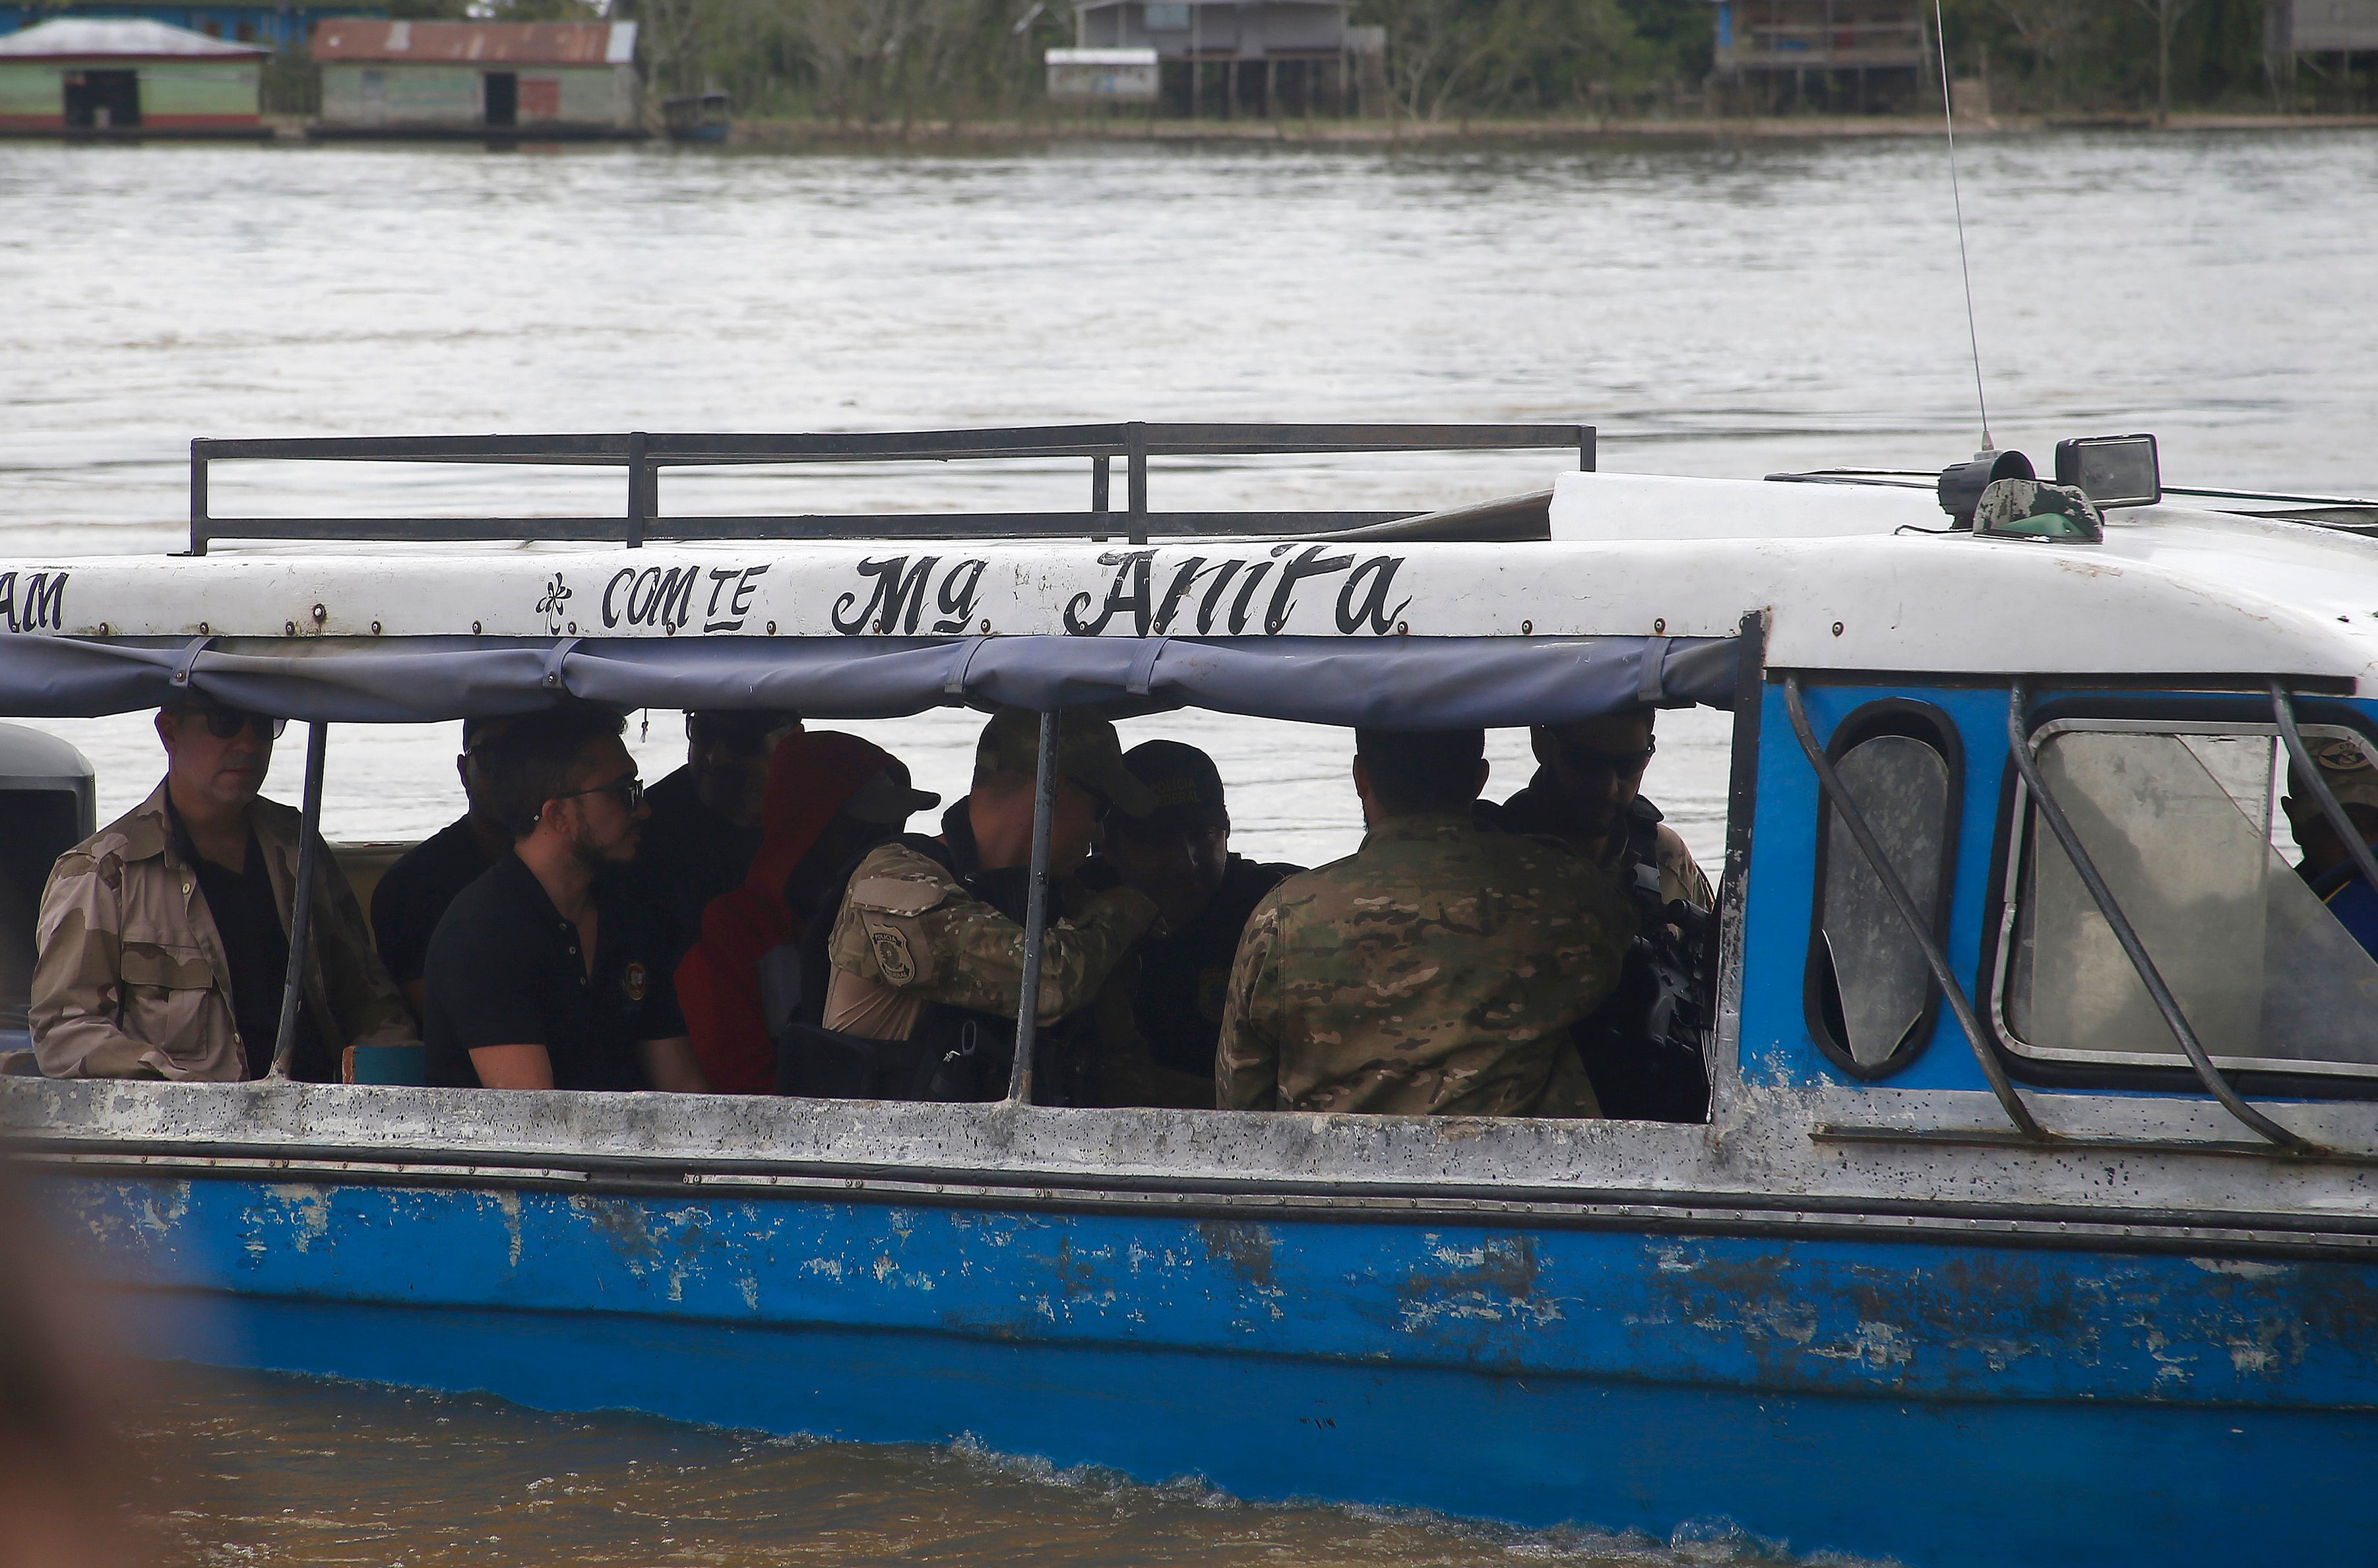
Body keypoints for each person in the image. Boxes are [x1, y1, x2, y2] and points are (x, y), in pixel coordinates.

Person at [1216, 727, 1637, 1117]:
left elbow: (1240, 1107)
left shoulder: (1282, 917)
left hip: (1337, 1189)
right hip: (1517, 1187)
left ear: (1361, 777)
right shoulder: (1566, 892)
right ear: (1479, 780)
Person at [29, 694, 415, 1082]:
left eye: (264, 726)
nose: (248, 745)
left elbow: (367, 1001)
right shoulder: (101, 874)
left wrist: (399, 1088)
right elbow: (65, 1031)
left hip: (319, 1125)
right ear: (170, 733)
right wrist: (178, 1088)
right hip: (187, 1135)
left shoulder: (298, 848)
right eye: (224, 722)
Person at [809, 708, 1162, 1103]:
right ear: (1054, 792)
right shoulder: (893, 883)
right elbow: (1046, 983)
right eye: (1101, 813)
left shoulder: (1053, 899)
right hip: (883, 1153)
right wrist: (1122, 913)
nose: (1097, 835)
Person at [421, 705, 708, 1093]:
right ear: (557, 815)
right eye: (624, 793)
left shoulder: (628, 918)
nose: (643, 809)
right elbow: (532, 1123)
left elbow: (683, 1091)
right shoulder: (482, 934)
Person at [674, 732, 940, 1095]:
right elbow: (743, 1098)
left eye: (893, 828)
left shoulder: (898, 917)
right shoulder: (731, 936)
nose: (886, 845)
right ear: (807, 825)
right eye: (865, 829)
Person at [1487, 708, 1714, 1121]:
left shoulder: (1665, 857)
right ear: (1543, 743)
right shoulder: (1487, 857)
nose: (1610, 787)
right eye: (1586, 762)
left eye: (1628, 765)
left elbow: (1717, 979)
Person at [1087, 740, 1301, 1109]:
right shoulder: (1071, 908)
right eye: (1157, 842)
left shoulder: (1278, 908)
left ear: (1228, 829)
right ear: (1108, 845)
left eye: (1203, 836)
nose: (1186, 864)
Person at [628, 708, 805, 962]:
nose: (716, 757)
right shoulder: (648, 824)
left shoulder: (820, 824)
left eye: (742, 740)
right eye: (704, 732)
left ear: (792, 741)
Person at [369, 714, 516, 1020]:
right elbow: (444, 1016)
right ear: (465, 771)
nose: (510, 772)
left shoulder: (581, 873)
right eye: (491, 755)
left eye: (523, 755)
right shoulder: (410, 886)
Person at [2283, 735, 2378, 958]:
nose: (2364, 842)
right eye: (2339, 824)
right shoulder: (2257, 919)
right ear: (2295, 822)